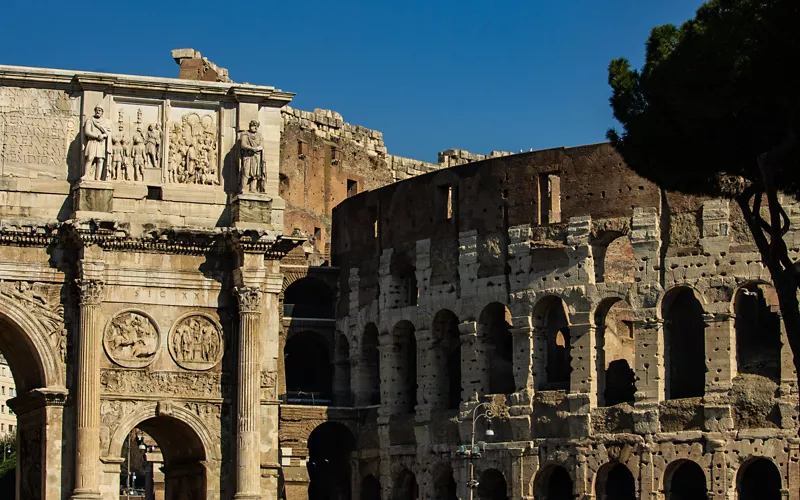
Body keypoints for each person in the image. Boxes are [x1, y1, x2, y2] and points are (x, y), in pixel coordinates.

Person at [82, 105, 111, 180]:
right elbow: (87, 132)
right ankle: (86, 175)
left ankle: (98, 178)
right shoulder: (90, 120)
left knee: (100, 160)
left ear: (102, 112)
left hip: (100, 143)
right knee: (90, 158)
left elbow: (108, 133)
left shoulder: (105, 122)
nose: (98, 111)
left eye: (100, 110)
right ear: (95, 111)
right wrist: (97, 136)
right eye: (97, 110)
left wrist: (103, 135)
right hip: (92, 141)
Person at [239, 120, 264, 192]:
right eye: (251, 126)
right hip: (247, 156)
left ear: (256, 127)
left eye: (254, 126)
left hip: (256, 156)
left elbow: (262, 145)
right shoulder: (245, 134)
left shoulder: (259, 136)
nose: (252, 127)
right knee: (246, 171)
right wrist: (251, 148)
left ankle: (253, 188)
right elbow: (243, 145)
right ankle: (243, 188)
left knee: (256, 173)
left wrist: (257, 148)